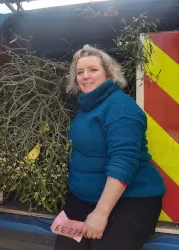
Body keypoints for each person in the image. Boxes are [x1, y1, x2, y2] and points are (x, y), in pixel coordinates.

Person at [54, 45, 166, 250]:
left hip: (132, 201)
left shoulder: (120, 107)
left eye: (93, 70)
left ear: (108, 73)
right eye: (80, 72)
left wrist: (100, 213)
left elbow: (123, 162)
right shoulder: (87, 106)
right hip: (84, 200)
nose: (85, 76)